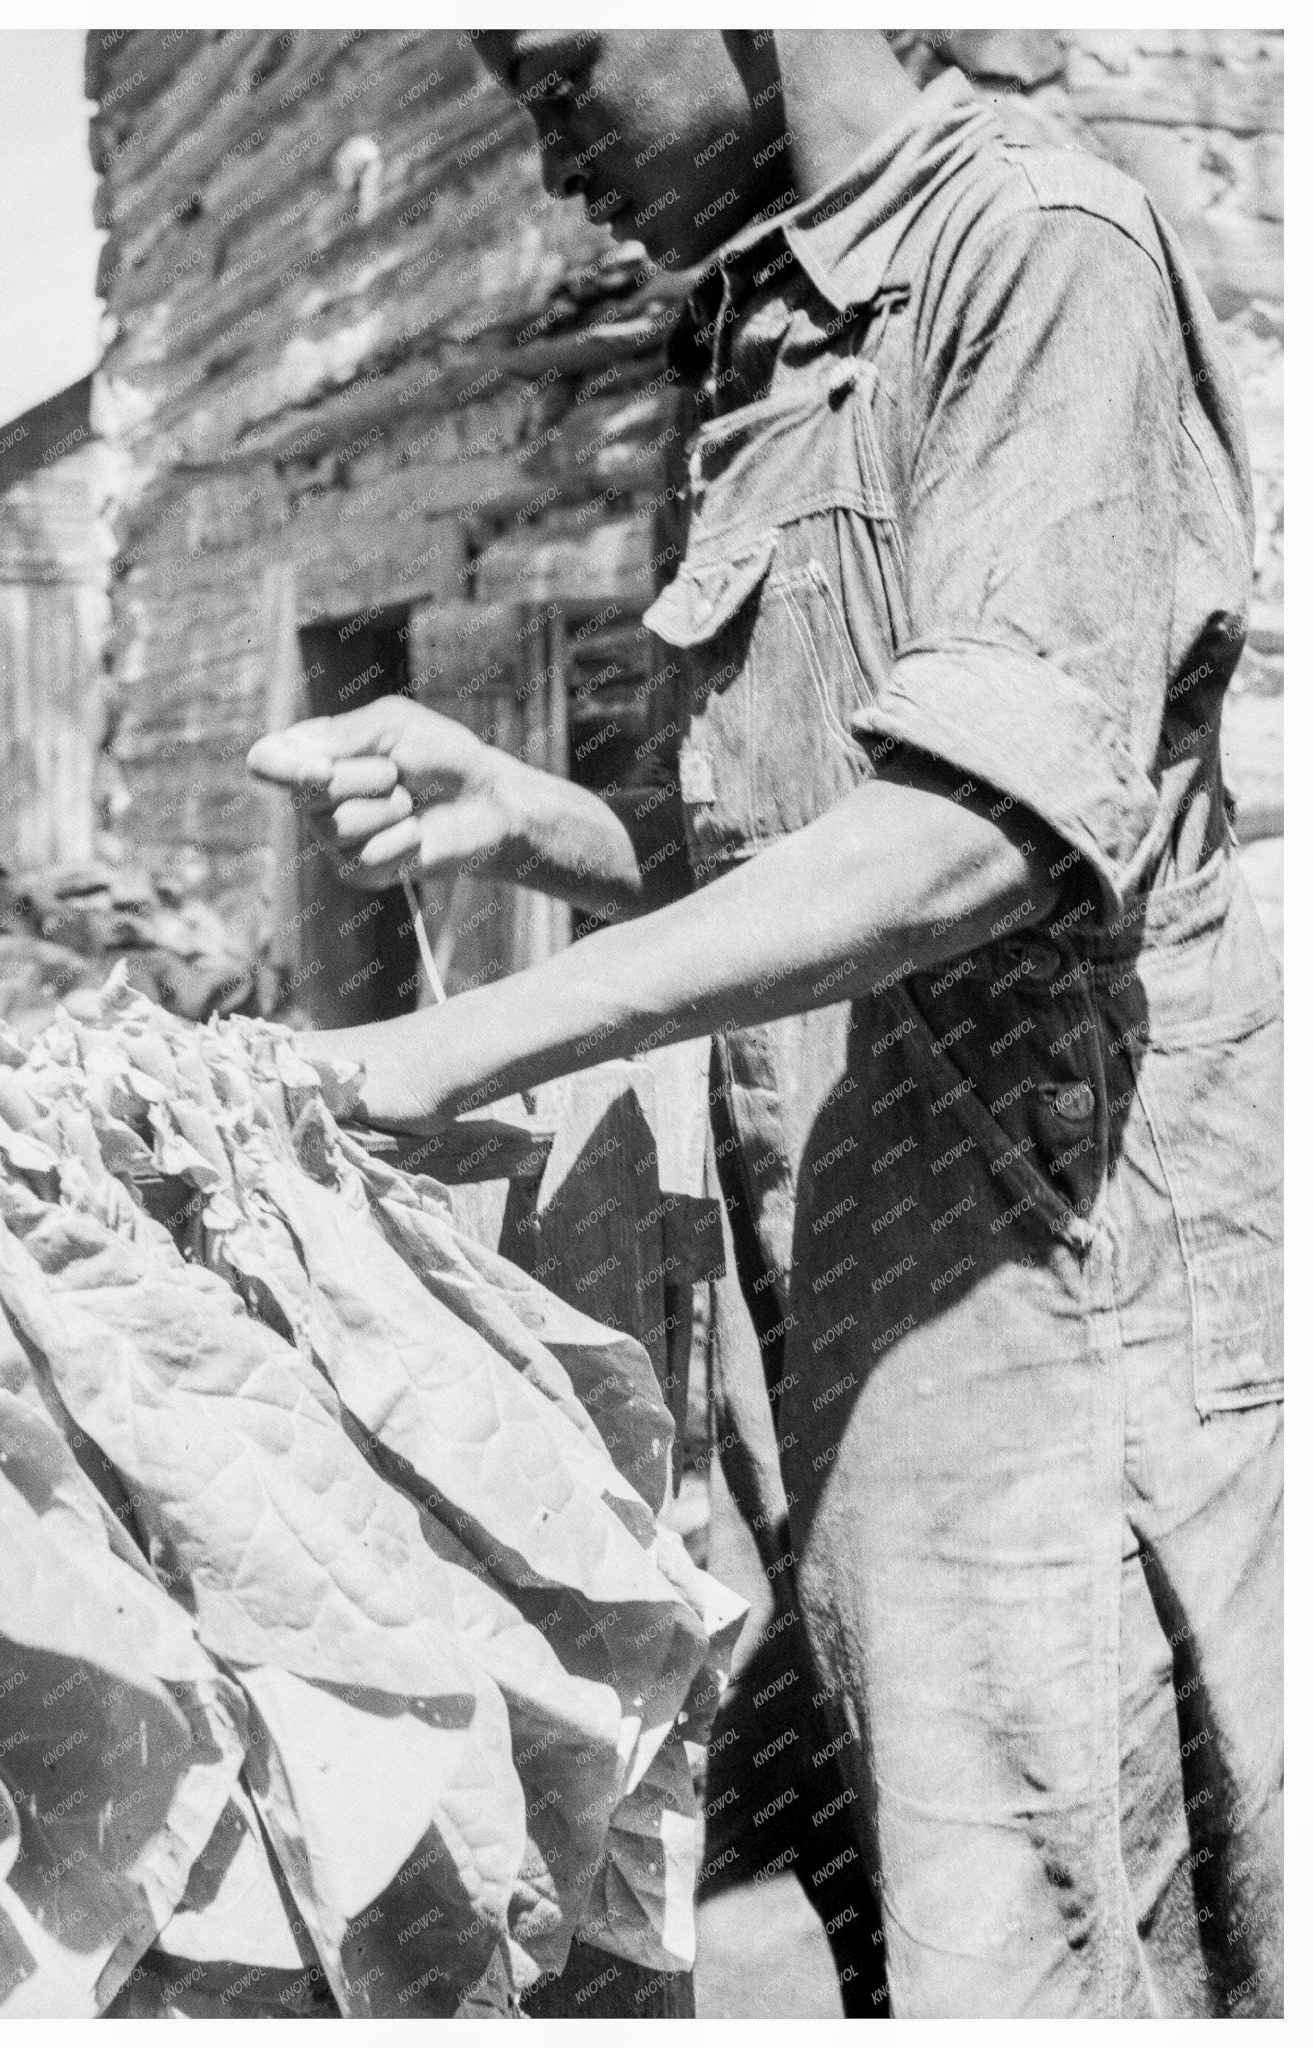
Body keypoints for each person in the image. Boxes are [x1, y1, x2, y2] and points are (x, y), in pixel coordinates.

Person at [248, 29, 1281, 2020]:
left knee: (1058, 1962)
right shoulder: (759, 329)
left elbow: (975, 833)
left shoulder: (1036, 249)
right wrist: (539, 816)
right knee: (905, 1932)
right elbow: (804, 844)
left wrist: (449, 1049)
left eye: (556, 83)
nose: (550, 164)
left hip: (1056, 1312)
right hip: (846, 1316)